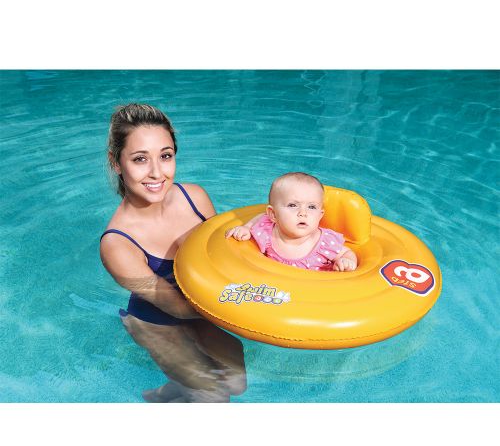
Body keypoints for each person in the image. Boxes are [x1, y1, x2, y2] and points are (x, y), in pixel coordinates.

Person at [100, 103, 246, 402]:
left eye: (165, 156)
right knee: (214, 396)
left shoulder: (195, 197)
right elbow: (178, 307)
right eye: (140, 159)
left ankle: (167, 393)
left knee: (236, 384)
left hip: (204, 306)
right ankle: (179, 390)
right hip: (158, 322)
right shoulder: (117, 243)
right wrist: (248, 303)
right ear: (116, 162)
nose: (156, 173)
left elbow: (223, 259)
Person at [225, 172, 358, 272]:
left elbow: (346, 252)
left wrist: (346, 261)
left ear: (320, 215)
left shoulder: (325, 243)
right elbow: (260, 218)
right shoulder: (267, 231)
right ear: (273, 214)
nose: (303, 213)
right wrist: (246, 228)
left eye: (311, 207)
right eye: (293, 205)